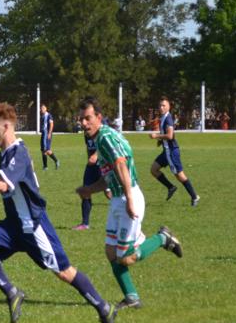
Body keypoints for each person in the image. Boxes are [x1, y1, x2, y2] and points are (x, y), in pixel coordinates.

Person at [0, 102, 115, 323]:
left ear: (6, 126)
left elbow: (3, 185)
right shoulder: (5, 153)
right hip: (13, 225)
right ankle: (12, 293)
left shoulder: (18, 152)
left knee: (64, 272)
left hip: (33, 226)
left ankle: (104, 307)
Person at [76, 97, 183, 311]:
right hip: (119, 198)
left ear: (99, 117)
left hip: (127, 197)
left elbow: (121, 165)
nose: (84, 123)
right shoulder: (102, 137)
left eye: (87, 118)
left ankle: (162, 238)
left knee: (126, 258)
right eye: (81, 120)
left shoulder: (105, 138)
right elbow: (110, 176)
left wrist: (129, 199)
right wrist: (89, 190)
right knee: (111, 252)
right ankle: (131, 297)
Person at [149, 96, 200, 207]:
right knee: (154, 169)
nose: (161, 107)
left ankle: (194, 196)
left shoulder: (168, 118)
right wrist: (160, 141)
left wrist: (156, 136)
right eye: (160, 105)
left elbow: (170, 135)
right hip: (166, 151)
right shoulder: (163, 118)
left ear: (169, 107)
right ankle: (171, 187)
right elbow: (168, 135)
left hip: (171, 152)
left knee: (179, 175)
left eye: (164, 105)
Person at [72, 129, 102, 231]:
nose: (83, 123)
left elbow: (106, 145)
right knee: (85, 191)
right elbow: (88, 147)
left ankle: (129, 209)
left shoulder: (102, 131)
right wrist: (89, 158)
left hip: (103, 164)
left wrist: (96, 155)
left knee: (109, 193)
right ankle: (85, 224)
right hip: (91, 166)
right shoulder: (86, 133)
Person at [39, 103, 60, 170]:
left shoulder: (48, 115)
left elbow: (51, 124)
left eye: (43, 108)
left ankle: (56, 161)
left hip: (47, 134)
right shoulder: (42, 116)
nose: (41, 109)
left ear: (46, 109)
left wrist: (49, 133)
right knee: (43, 150)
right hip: (43, 134)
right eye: (41, 108)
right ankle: (45, 166)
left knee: (46, 150)